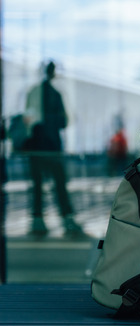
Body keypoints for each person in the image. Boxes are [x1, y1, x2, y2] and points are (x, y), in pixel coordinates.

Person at [22, 61, 84, 238]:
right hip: (52, 146)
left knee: (38, 185)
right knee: (59, 184)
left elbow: (28, 117)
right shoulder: (56, 94)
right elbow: (64, 121)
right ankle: (66, 218)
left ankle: (38, 219)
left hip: (36, 144)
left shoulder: (33, 92)